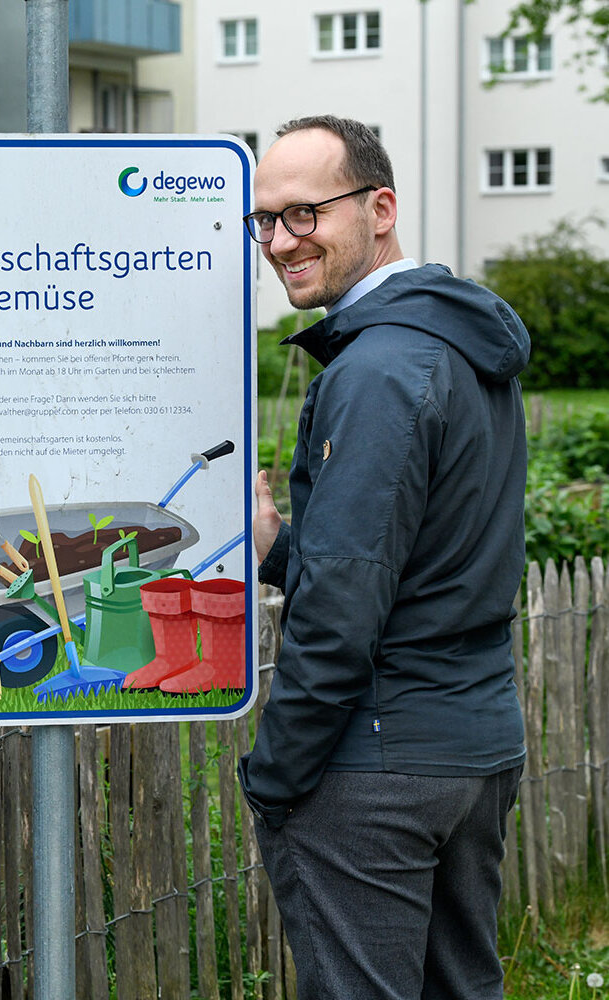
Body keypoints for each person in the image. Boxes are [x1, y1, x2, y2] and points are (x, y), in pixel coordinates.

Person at [238, 116, 529, 999]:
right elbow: (424, 566)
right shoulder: (458, 343)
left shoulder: (377, 370)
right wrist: (280, 549)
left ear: (380, 207)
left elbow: (341, 615)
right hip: (471, 750)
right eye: (264, 220)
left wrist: (275, 776)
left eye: (304, 214)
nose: (280, 241)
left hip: (376, 766)